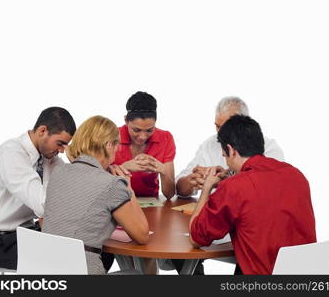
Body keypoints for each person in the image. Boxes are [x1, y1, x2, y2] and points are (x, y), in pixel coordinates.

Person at [189, 115, 316, 274]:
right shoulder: (296, 175)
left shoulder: (234, 188)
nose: (225, 161)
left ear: (230, 150)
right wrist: (230, 179)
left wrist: (206, 189)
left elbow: (196, 237)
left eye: (224, 155)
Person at [42, 115, 149, 275]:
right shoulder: (112, 185)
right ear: (108, 145)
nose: (117, 151)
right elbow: (142, 235)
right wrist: (128, 187)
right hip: (81, 272)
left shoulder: (58, 172)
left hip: (47, 271)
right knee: (136, 274)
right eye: (116, 145)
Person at [0, 107, 76, 269]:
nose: (63, 151)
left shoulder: (49, 156)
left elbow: (74, 190)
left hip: (27, 233)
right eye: (60, 143)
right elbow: (44, 205)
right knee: (69, 259)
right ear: (43, 131)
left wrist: (79, 165)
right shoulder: (11, 153)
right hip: (1, 242)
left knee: (94, 250)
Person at [176, 96, 284, 198]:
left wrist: (222, 180)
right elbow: (179, 187)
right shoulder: (210, 144)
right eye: (217, 126)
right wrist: (192, 181)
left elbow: (269, 190)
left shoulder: (270, 149)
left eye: (226, 127)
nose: (220, 133)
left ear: (243, 123)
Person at [114, 91, 176, 199]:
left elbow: (169, 194)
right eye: (136, 130)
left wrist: (163, 170)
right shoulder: (112, 136)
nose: (142, 136)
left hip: (151, 202)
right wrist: (124, 168)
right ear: (126, 121)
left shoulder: (165, 138)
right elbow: (96, 184)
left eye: (149, 130)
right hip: (115, 201)